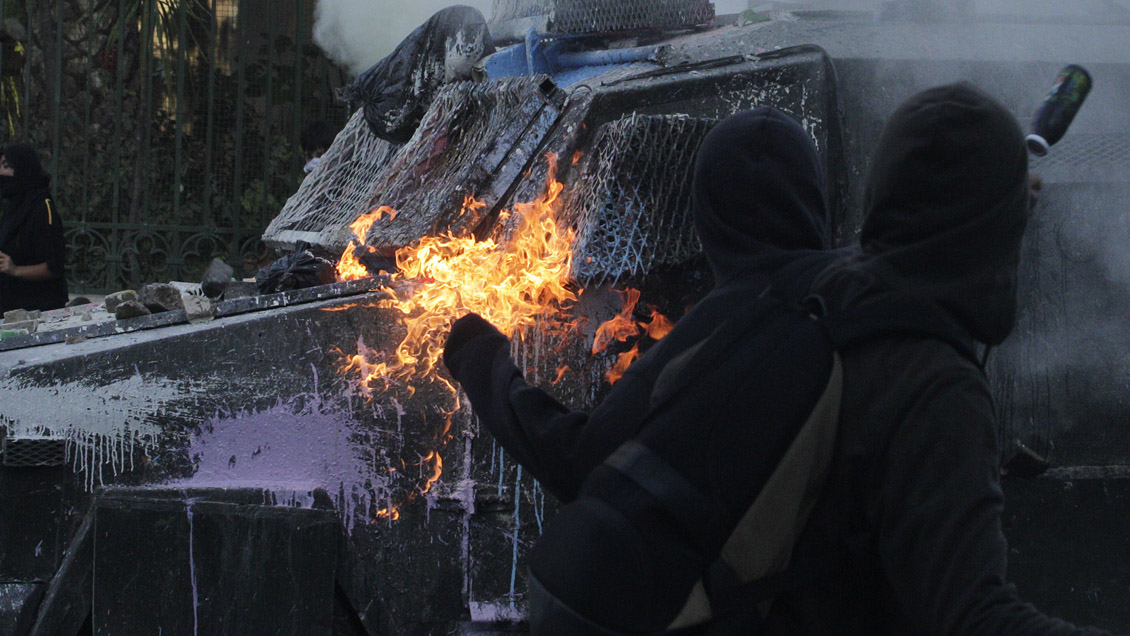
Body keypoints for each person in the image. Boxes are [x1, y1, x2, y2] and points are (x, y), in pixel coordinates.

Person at [758, 83, 1115, 635]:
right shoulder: (932, 387)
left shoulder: (820, 296)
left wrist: (992, 205)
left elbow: (917, 230)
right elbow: (974, 620)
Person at [0, 144, 67, 314]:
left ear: (23, 169)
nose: (1, 172)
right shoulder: (14, 207)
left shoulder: (42, 208)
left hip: (38, 309)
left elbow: (53, 267)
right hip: (10, 305)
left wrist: (16, 270)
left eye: (6, 166)